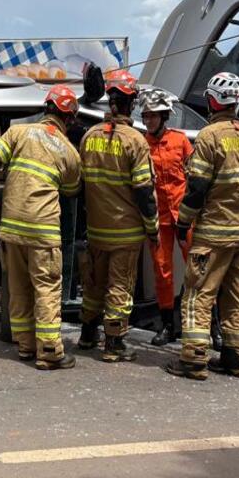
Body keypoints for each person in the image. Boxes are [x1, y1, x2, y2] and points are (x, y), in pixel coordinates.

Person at [166, 72, 239, 380]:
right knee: (238, 296)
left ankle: (194, 359)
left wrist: (183, 221)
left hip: (212, 235)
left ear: (212, 101)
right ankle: (236, 359)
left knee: (198, 294)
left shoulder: (209, 137)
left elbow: (196, 188)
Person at [0, 85, 82, 369]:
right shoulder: (70, 153)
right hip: (43, 231)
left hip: (11, 229)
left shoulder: (18, 133)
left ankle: (25, 345)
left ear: (46, 108)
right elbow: (72, 191)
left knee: (19, 286)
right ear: (69, 118)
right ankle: (49, 351)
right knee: (46, 288)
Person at [77, 69, 158, 363]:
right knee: (119, 286)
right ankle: (114, 343)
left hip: (96, 230)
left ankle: (87, 334)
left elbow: (80, 184)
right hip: (125, 233)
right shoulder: (135, 141)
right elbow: (144, 192)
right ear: (131, 102)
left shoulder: (89, 137)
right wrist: (153, 228)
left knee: (93, 284)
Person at [140, 88, 193, 346]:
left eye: (153, 116)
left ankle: (210, 326)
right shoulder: (141, 144)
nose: (148, 120)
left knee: (198, 269)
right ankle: (168, 326)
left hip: (184, 217)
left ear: (164, 116)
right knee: (162, 272)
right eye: (145, 116)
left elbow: (195, 177)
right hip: (158, 219)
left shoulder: (180, 141)